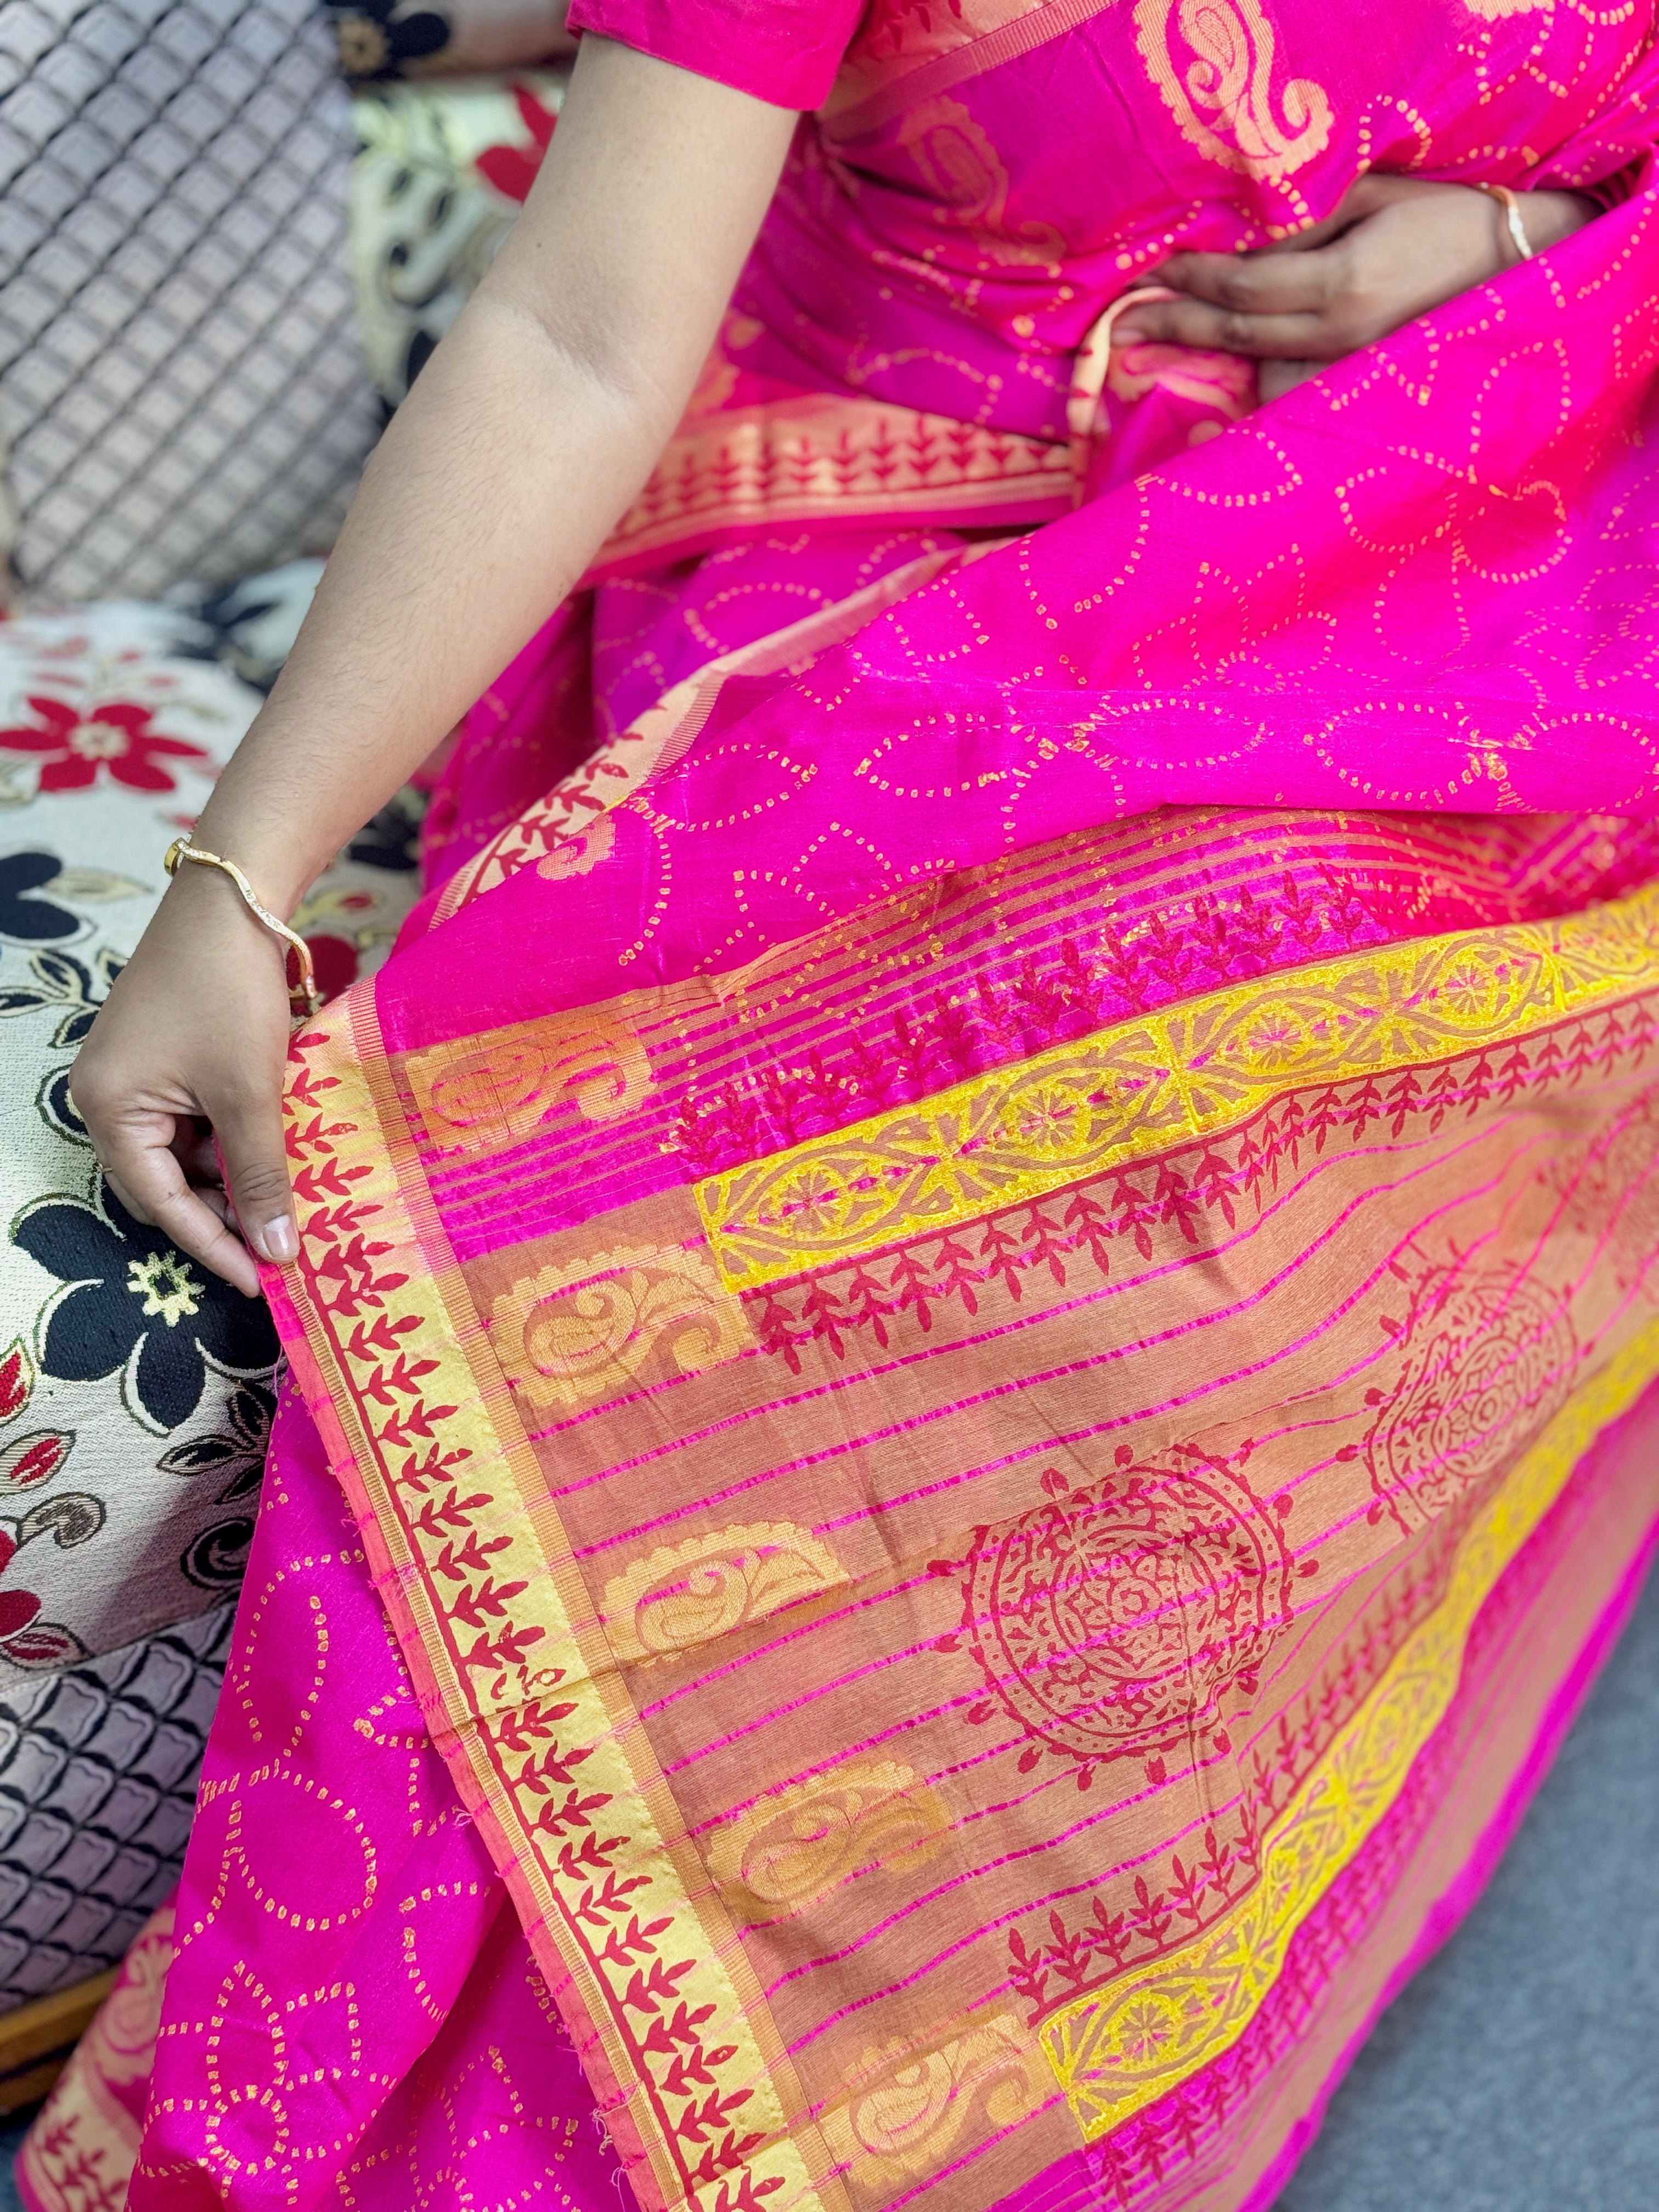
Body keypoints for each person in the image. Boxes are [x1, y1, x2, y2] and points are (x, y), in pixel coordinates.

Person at [26, 4, 1659, 2207]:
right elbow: (587, 341)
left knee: (1379, 1073)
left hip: (1435, 540)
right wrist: (243, 881)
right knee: (993, 1114)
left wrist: (1518, 228)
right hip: (924, 551)